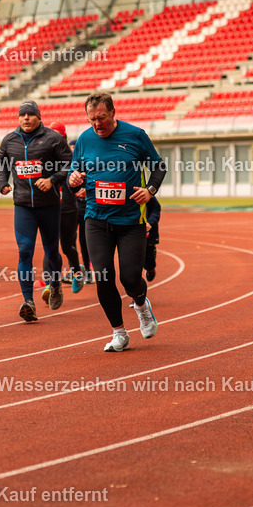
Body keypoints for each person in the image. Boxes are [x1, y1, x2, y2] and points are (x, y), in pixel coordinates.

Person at [68, 92, 167, 352]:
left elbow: (159, 166)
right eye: (92, 120)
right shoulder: (84, 140)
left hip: (130, 220)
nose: (97, 124)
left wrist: (151, 191)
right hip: (96, 219)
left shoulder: (135, 135)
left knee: (131, 277)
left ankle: (142, 305)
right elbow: (73, 172)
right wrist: (73, 180)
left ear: (113, 112)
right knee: (103, 276)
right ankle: (119, 333)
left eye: (101, 118)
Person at [0, 100, 72, 322]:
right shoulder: (10, 140)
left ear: (39, 116)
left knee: (51, 251)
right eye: (22, 115)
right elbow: (1, 162)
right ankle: (28, 301)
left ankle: (55, 284)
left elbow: (69, 163)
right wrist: (3, 182)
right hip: (22, 206)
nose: (26, 118)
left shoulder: (53, 138)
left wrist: (52, 180)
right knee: (25, 251)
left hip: (49, 205)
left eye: (30, 114)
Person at [46, 123, 85, 297]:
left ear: (63, 137)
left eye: (56, 135)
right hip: (49, 207)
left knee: (67, 246)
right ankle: (51, 285)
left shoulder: (72, 157)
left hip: (68, 208)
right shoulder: (44, 157)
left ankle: (76, 272)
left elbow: (83, 175)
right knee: (50, 247)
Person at [144, 194, 161, 281]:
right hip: (129, 231)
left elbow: (156, 209)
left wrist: (150, 223)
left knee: (149, 258)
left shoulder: (147, 192)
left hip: (148, 234)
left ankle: (150, 268)